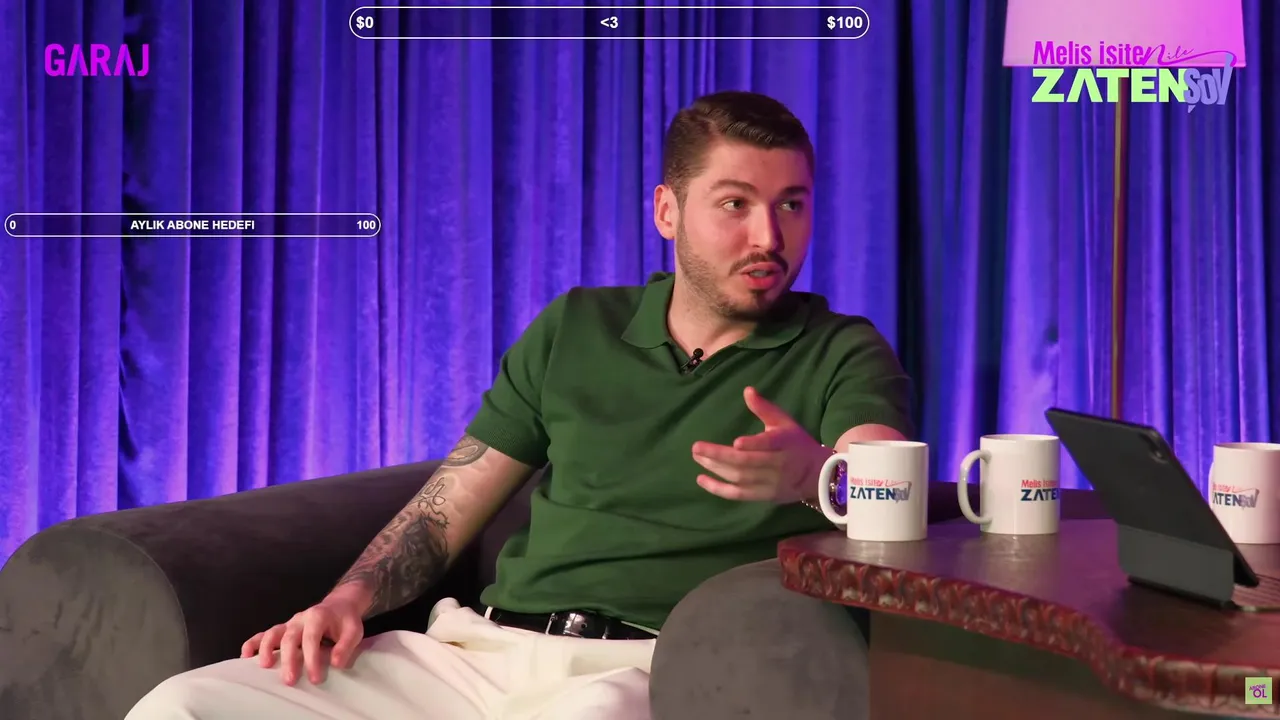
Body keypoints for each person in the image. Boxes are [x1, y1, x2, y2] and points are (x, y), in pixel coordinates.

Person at [125, 90, 914, 720]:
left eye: (792, 205)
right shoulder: (577, 327)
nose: (769, 236)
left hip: (645, 670)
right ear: (668, 211)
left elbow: (894, 491)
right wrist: (347, 600)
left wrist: (817, 476)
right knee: (184, 705)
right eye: (735, 203)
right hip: (475, 653)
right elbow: (447, 507)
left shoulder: (841, 349)